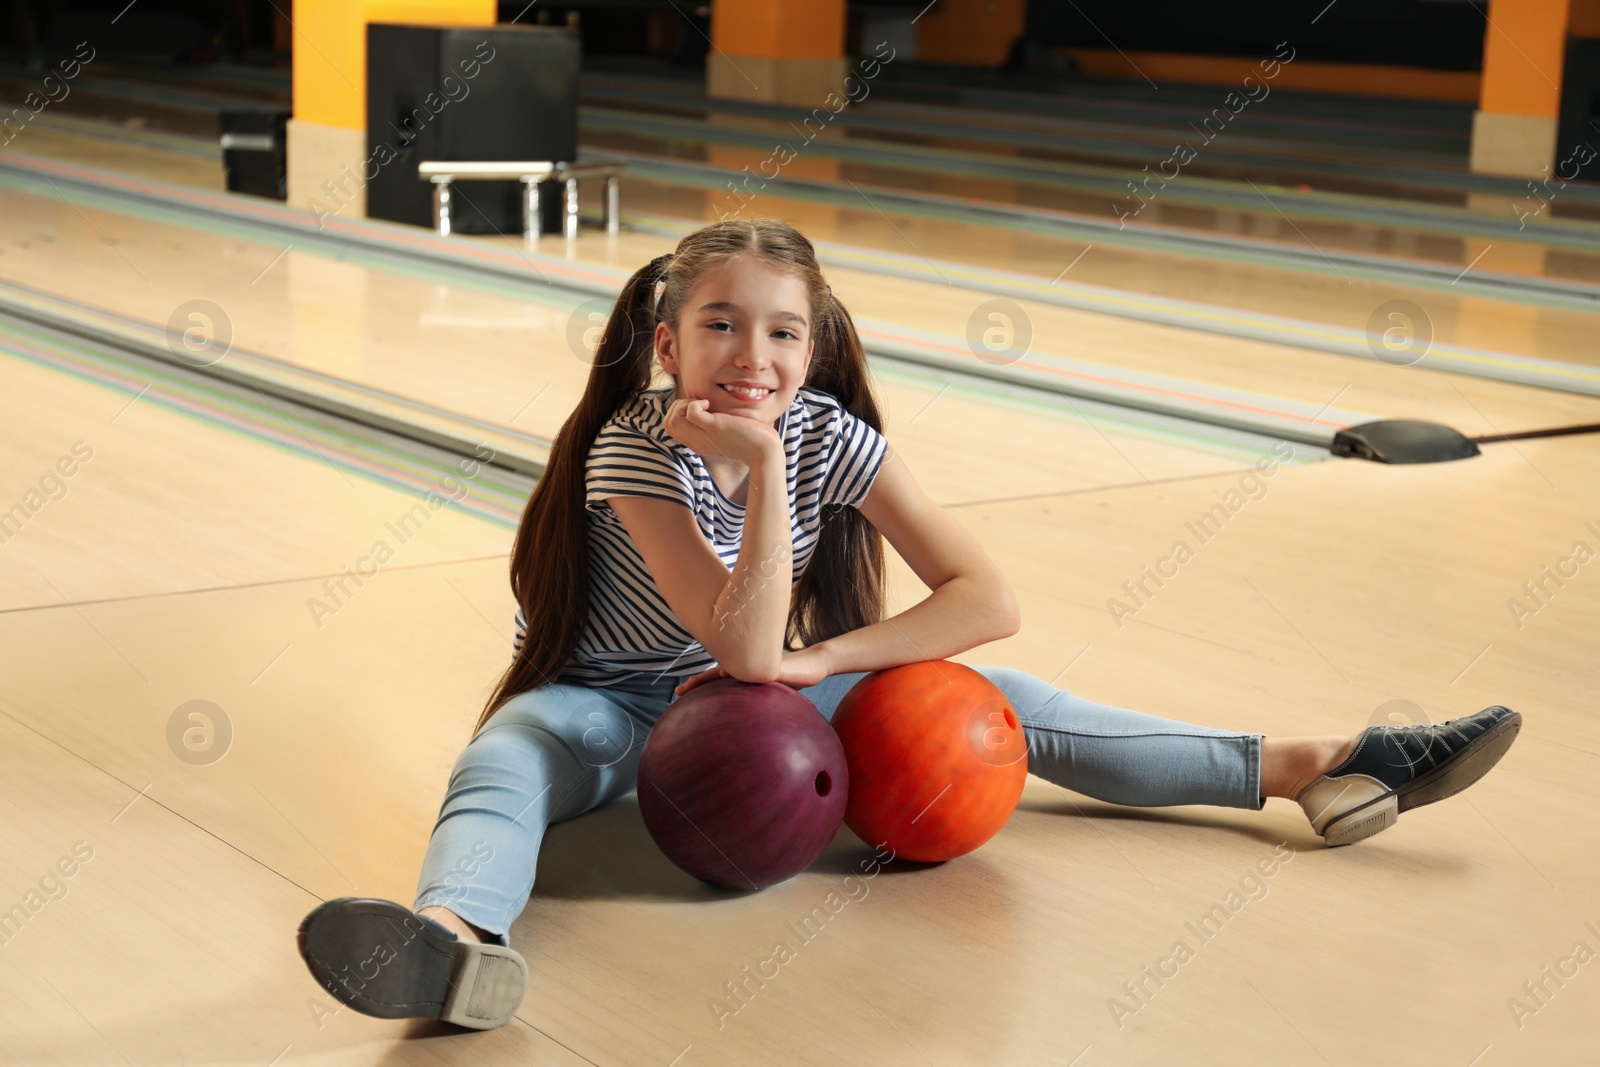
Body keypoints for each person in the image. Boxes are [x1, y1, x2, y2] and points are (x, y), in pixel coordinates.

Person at [296, 218, 1521, 1030]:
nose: (752, 354)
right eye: (719, 324)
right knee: (503, 758)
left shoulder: (834, 432)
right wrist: (771, 485)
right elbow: (728, 645)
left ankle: (1314, 767)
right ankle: (458, 939)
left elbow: (984, 598)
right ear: (666, 344)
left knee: (1007, 706)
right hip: (616, 709)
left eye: (782, 331)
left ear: (814, 344)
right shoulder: (634, 445)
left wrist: (822, 659)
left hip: (774, 696)